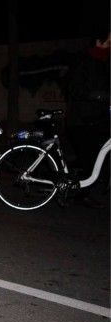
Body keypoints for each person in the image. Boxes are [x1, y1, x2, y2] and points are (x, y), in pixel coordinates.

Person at [65, 31, 110, 208]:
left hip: (98, 120)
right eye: (109, 41)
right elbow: (75, 89)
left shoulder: (104, 64)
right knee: (89, 159)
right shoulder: (83, 61)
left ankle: (73, 177)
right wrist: (100, 96)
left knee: (93, 157)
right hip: (81, 120)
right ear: (98, 41)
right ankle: (79, 193)